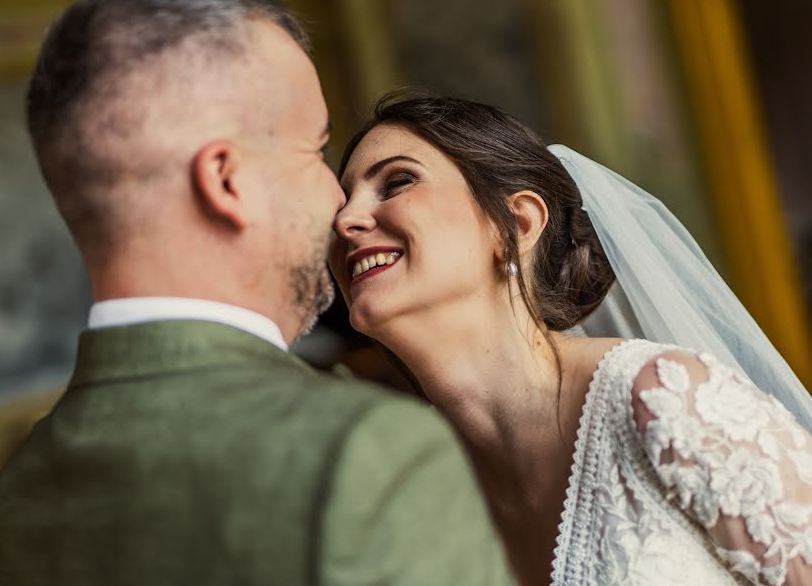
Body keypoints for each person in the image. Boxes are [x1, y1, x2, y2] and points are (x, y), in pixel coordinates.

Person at [0, 0, 515, 585]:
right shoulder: (368, 453)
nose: (339, 206)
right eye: (316, 151)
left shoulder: (11, 500)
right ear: (227, 181)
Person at [329, 90, 812, 586]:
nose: (345, 222)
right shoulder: (404, 496)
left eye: (397, 182)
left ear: (516, 224)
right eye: (339, 205)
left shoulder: (662, 401)